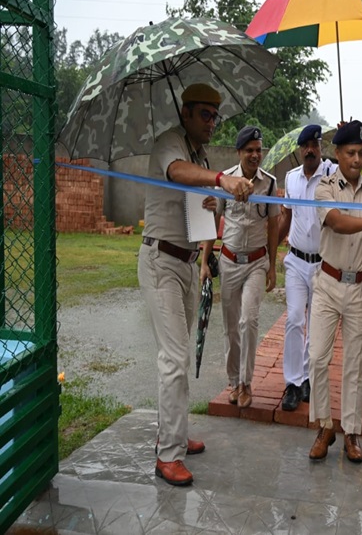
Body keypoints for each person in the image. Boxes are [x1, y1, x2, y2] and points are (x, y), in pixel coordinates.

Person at [138, 83, 253, 488]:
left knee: (180, 356)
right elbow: (176, 173)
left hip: (187, 263)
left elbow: (199, 205)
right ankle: (168, 455)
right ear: (185, 113)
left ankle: (174, 432)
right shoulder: (171, 143)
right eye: (205, 114)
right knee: (175, 358)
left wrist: (210, 205)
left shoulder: (198, 152)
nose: (212, 122)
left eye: (215, 116)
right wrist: (219, 179)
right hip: (160, 261)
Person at [307, 120, 362, 464]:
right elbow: (336, 222)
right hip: (328, 283)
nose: (357, 159)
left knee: (356, 365)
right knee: (317, 357)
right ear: (337, 154)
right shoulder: (324, 189)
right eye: (350, 153)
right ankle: (325, 426)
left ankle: (351, 433)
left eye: (360, 153)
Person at [204, 125, 279, 412]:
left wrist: (272, 265)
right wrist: (205, 262)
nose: (255, 155)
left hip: (257, 263)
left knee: (249, 321)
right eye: (249, 150)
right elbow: (213, 222)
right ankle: (233, 381)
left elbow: (273, 225)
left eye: (259, 150)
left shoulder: (269, 184)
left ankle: (247, 383)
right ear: (239, 153)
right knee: (230, 326)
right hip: (229, 262)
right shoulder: (225, 182)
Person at [278, 124, 335, 412]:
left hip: (324, 263)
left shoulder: (332, 175)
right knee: (295, 319)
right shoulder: (291, 179)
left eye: (315, 144)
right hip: (297, 261)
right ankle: (291, 382)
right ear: (300, 150)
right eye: (306, 146)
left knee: (317, 325)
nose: (310, 150)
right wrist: (269, 251)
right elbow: (285, 217)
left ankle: (308, 379)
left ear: (321, 148)